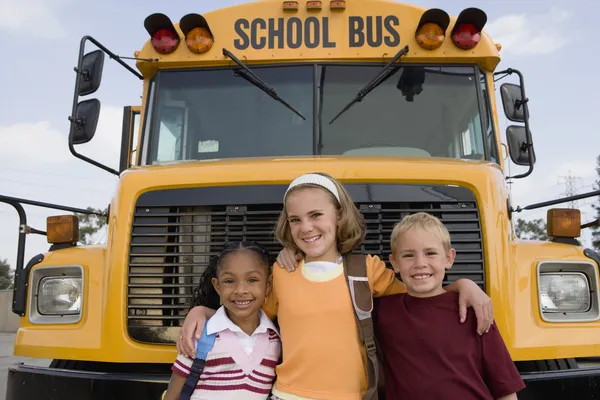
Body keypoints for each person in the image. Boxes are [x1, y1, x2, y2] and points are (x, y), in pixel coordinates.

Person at [177, 173, 494, 400]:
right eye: (296, 219)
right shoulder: (282, 272)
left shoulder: (366, 269)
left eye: (316, 215)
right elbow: (246, 310)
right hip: (287, 395)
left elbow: (420, 296)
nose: (307, 227)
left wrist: (463, 285)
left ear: (339, 216)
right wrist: (204, 310)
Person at [373, 212, 525, 399]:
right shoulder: (384, 311)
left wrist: (465, 284)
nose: (420, 263)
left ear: (449, 258)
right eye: (408, 255)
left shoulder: (474, 310)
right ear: (394, 263)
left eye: (430, 253)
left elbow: (505, 387)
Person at [163, 241, 281, 400]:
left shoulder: (275, 341)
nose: (241, 291)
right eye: (229, 281)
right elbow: (172, 396)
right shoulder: (200, 337)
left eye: (252, 280)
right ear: (217, 286)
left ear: (268, 285)